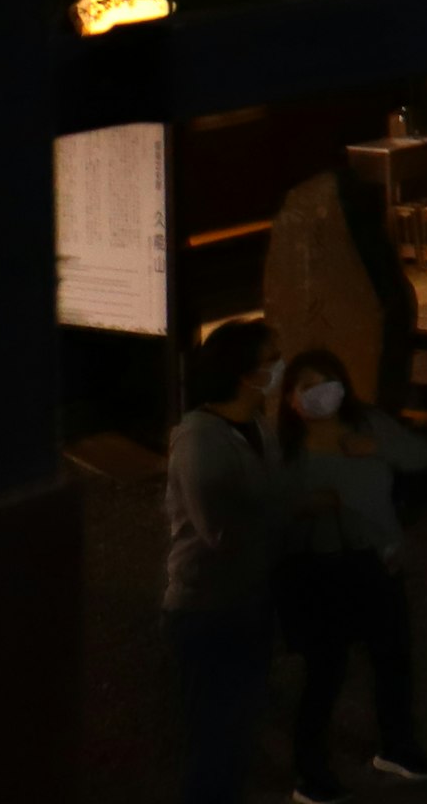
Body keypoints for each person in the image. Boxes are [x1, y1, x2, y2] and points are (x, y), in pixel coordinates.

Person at [271, 345, 427, 796]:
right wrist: (304, 508)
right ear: (290, 398)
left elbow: (419, 456)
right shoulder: (284, 449)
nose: (321, 393)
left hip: (378, 562)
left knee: (393, 658)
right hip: (319, 571)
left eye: (328, 382)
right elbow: (267, 513)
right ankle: (311, 771)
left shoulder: (367, 426)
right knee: (326, 671)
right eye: (307, 386)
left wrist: (378, 447)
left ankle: (397, 745)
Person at [165, 320, 282, 804]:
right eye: (270, 360)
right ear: (244, 374)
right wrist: (296, 515)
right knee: (214, 739)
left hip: (249, 598)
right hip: (206, 607)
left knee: (237, 732)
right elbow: (221, 531)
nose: (279, 368)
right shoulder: (201, 441)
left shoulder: (256, 424)